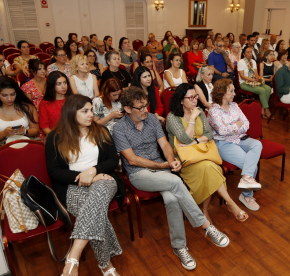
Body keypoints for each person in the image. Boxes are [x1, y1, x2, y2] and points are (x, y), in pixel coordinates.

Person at [113, 86, 230, 270]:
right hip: (138, 173)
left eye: (146, 105)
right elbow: (132, 159)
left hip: (162, 167)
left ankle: (179, 247)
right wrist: (163, 166)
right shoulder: (119, 128)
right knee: (176, 181)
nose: (145, 110)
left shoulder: (151, 119)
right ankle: (206, 226)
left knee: (172, 199)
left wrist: (171, 160)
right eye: (140, 108)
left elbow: (165, 144)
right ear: (127, 109)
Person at [45, 94, 125, 276]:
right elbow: (54, 171)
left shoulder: (100, 131)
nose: (91, 114)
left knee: (97, 196)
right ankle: (106, 266)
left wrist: (94, 171)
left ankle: (73, 256)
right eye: (85, 111)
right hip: (72, 186)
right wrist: (83, 177)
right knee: (93, 212)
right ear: (71, 113)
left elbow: (113, 159)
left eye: (91, 110)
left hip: (104, 179)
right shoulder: (55, 138)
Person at [166, 82, 249, 222]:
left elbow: (209, 134)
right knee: (211, 169)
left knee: (210, 168)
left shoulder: (200, 113)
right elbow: (184, 139)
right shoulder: (172, 118)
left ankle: (207, 209)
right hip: (185, 160)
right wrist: (192, 119)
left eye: (196, 97)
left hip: (203, 153)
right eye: (190, 98)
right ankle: (228, 203)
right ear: (181, 100)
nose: (194, 100)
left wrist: (196, 142)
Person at [207, 78, 263, 211]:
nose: (234, 94)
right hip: (224, 144)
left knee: (257, 145)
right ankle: (246, 196)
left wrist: (233, 127)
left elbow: (246, 123)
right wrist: (238, 124)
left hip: (240, 138)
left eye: (234, 91)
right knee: (251, 166)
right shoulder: (213, 111)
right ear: (221, 93)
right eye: (231, 91)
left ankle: (246, 180)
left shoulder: (234, 106)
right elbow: (222, 131)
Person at [0, 76, 39, 152]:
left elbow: (36, 130)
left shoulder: (27, 107)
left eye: (13, 94)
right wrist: (4, 133)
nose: (9, 99)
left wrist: (24, 131)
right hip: (1, 147)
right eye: (4, 95)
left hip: (26, 144)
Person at [238, 46, 272, 119]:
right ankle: (266, 109)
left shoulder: (253, 61)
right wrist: (252, 79)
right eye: (248, 52)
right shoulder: (241, 62)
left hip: (254, 82)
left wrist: (258, 78)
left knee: (268, 88)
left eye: (251, 52)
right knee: (262, 90)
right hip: (244, 83)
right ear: (244, 54)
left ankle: (262, 110)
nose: (250, 53)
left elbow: (256, 74)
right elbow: (242, 76)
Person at [39, 71, 73, 141]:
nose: (63, 86)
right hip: (56, 138)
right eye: (59, 84)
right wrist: (58, 137)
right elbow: (45, 127)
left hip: (74, 136)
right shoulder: (44, 103)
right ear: (52, 86)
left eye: (65, 83)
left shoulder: (72, 100)